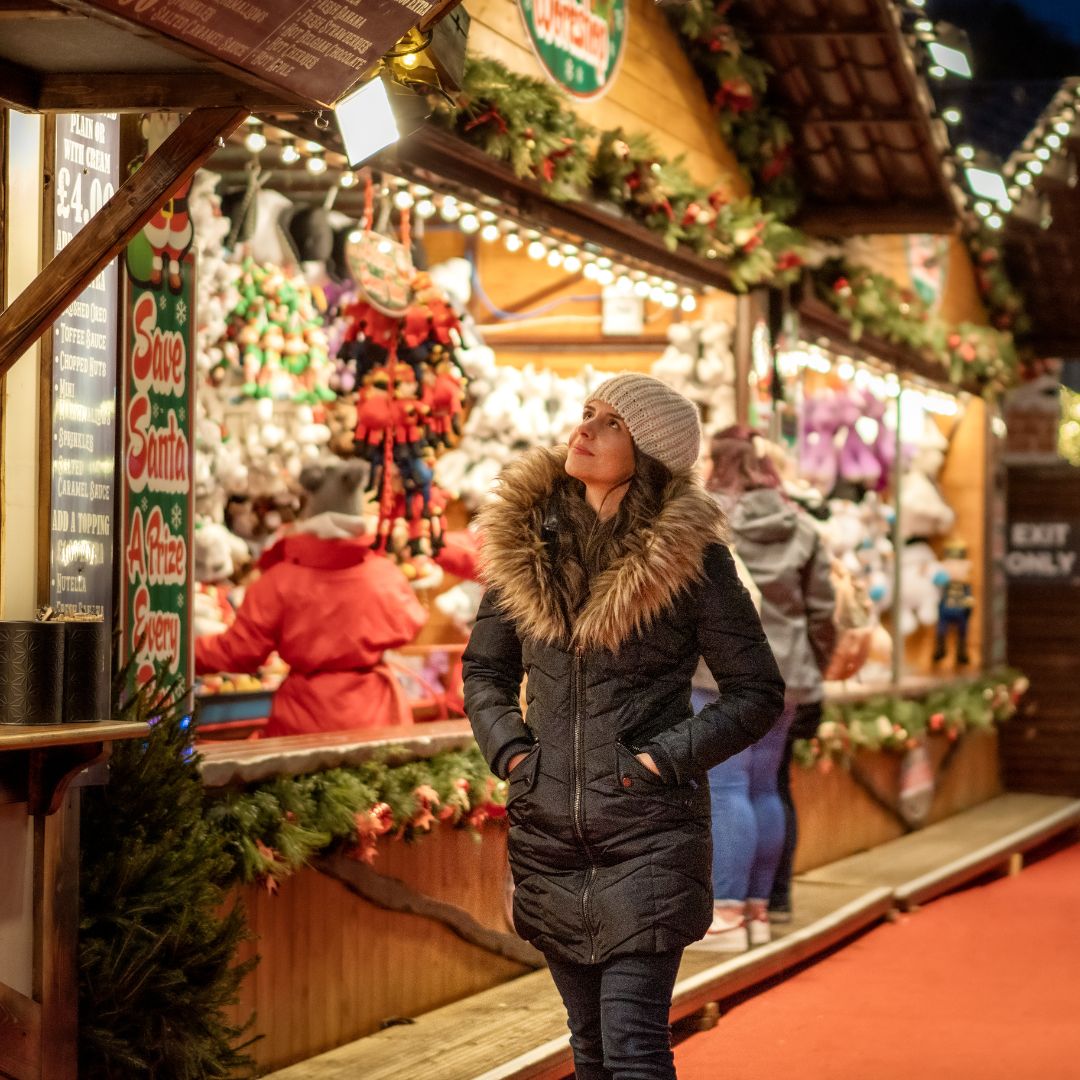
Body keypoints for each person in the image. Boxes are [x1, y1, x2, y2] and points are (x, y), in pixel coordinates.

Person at [463, 375, 785, 1080]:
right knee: (588, 1048)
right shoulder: (527, 547)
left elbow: (756, 692)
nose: (585, 429)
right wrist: (515, 754)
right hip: (548, 835)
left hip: (649, 833)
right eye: (587, 414)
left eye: (611, 423)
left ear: (649, 453)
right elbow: (485, 672)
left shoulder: (690, 560)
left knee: (634, 1044)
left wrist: (660, 762)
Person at [695, 435, 835, 949]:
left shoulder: (707, 520)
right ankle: (756, 909)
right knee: (763, 786)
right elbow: (822, 611)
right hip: (789, 672)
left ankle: (726, 915)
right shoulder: (802, 525)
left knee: (726, 787)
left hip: (721, 674)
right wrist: (810, 666)